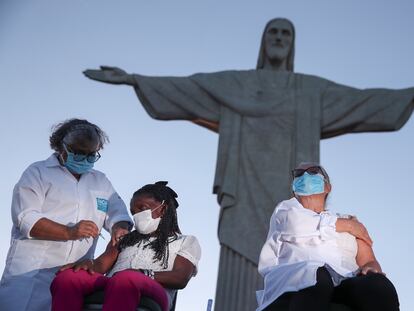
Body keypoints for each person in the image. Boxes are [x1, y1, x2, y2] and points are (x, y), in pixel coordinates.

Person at [82, 18, 414, 310]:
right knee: (254, 259)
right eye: (274, 32)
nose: (279, 39)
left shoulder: (309, 91)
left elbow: (360, 100)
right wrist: (135, 80)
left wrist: (407, 94)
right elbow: (191, 88)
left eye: (286, 33)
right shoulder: (237, 85)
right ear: (264, 41)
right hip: (244, 185)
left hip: (283, 178)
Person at [0, 119, 133, 311]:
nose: (85, 159)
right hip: (30, 275)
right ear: (61, 146)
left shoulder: (100, 181)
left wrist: (120, 227)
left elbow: (118, 213)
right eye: (78, 152)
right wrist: (69, 232)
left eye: (91, 155)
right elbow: (25, 218)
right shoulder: (38, 172)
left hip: (72, 277)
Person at [256, 162, 399, 311]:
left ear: (327, 187)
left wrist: (371, 269)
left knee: (379, 286)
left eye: (313, 171)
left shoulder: (347, 218)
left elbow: (369, 260)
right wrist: (349, 226)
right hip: (296, 282)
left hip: (344, 280)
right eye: (298, 174)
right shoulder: (286, 210)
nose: (305, 175)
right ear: (294, 188)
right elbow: (297, 225)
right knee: (316, 275)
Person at [50, 181, 201, 311]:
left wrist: (142, 273)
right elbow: (101, 265)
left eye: (143, 208)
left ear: (163, 208)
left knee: (126, 278)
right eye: (133, 212)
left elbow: (180, 278)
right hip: (113, 282)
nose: (137, 216)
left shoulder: (185, 241)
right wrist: (88, 264)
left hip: (154, 289)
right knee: (69, 277)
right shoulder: (126, 238)